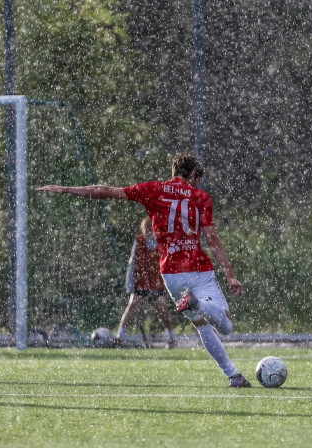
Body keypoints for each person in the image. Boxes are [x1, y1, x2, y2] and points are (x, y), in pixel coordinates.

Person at [38, 153, 251, 387]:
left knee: (201, 325)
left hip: (172, 275)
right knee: (226, 325)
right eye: (197, 177)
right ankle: (198, 304)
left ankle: (233, 376)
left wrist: (67, 189)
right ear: (191, 174)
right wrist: (230, 274)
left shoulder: (153, 190)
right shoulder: (200, 197)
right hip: (198, 269)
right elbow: (212, 239)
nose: (198, 182)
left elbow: (108, 191)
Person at [114, 216, 177, 349]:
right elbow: (132, 262)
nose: (149, 231)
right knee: (132, 305)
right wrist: (130, 284)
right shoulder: (139, 241)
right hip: (141, 280)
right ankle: (119, 336)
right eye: (147, 229)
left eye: (152, 228)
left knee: (162, 308)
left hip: (156, 281)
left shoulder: (162, 242)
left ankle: (172, 338)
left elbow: (168, 262)